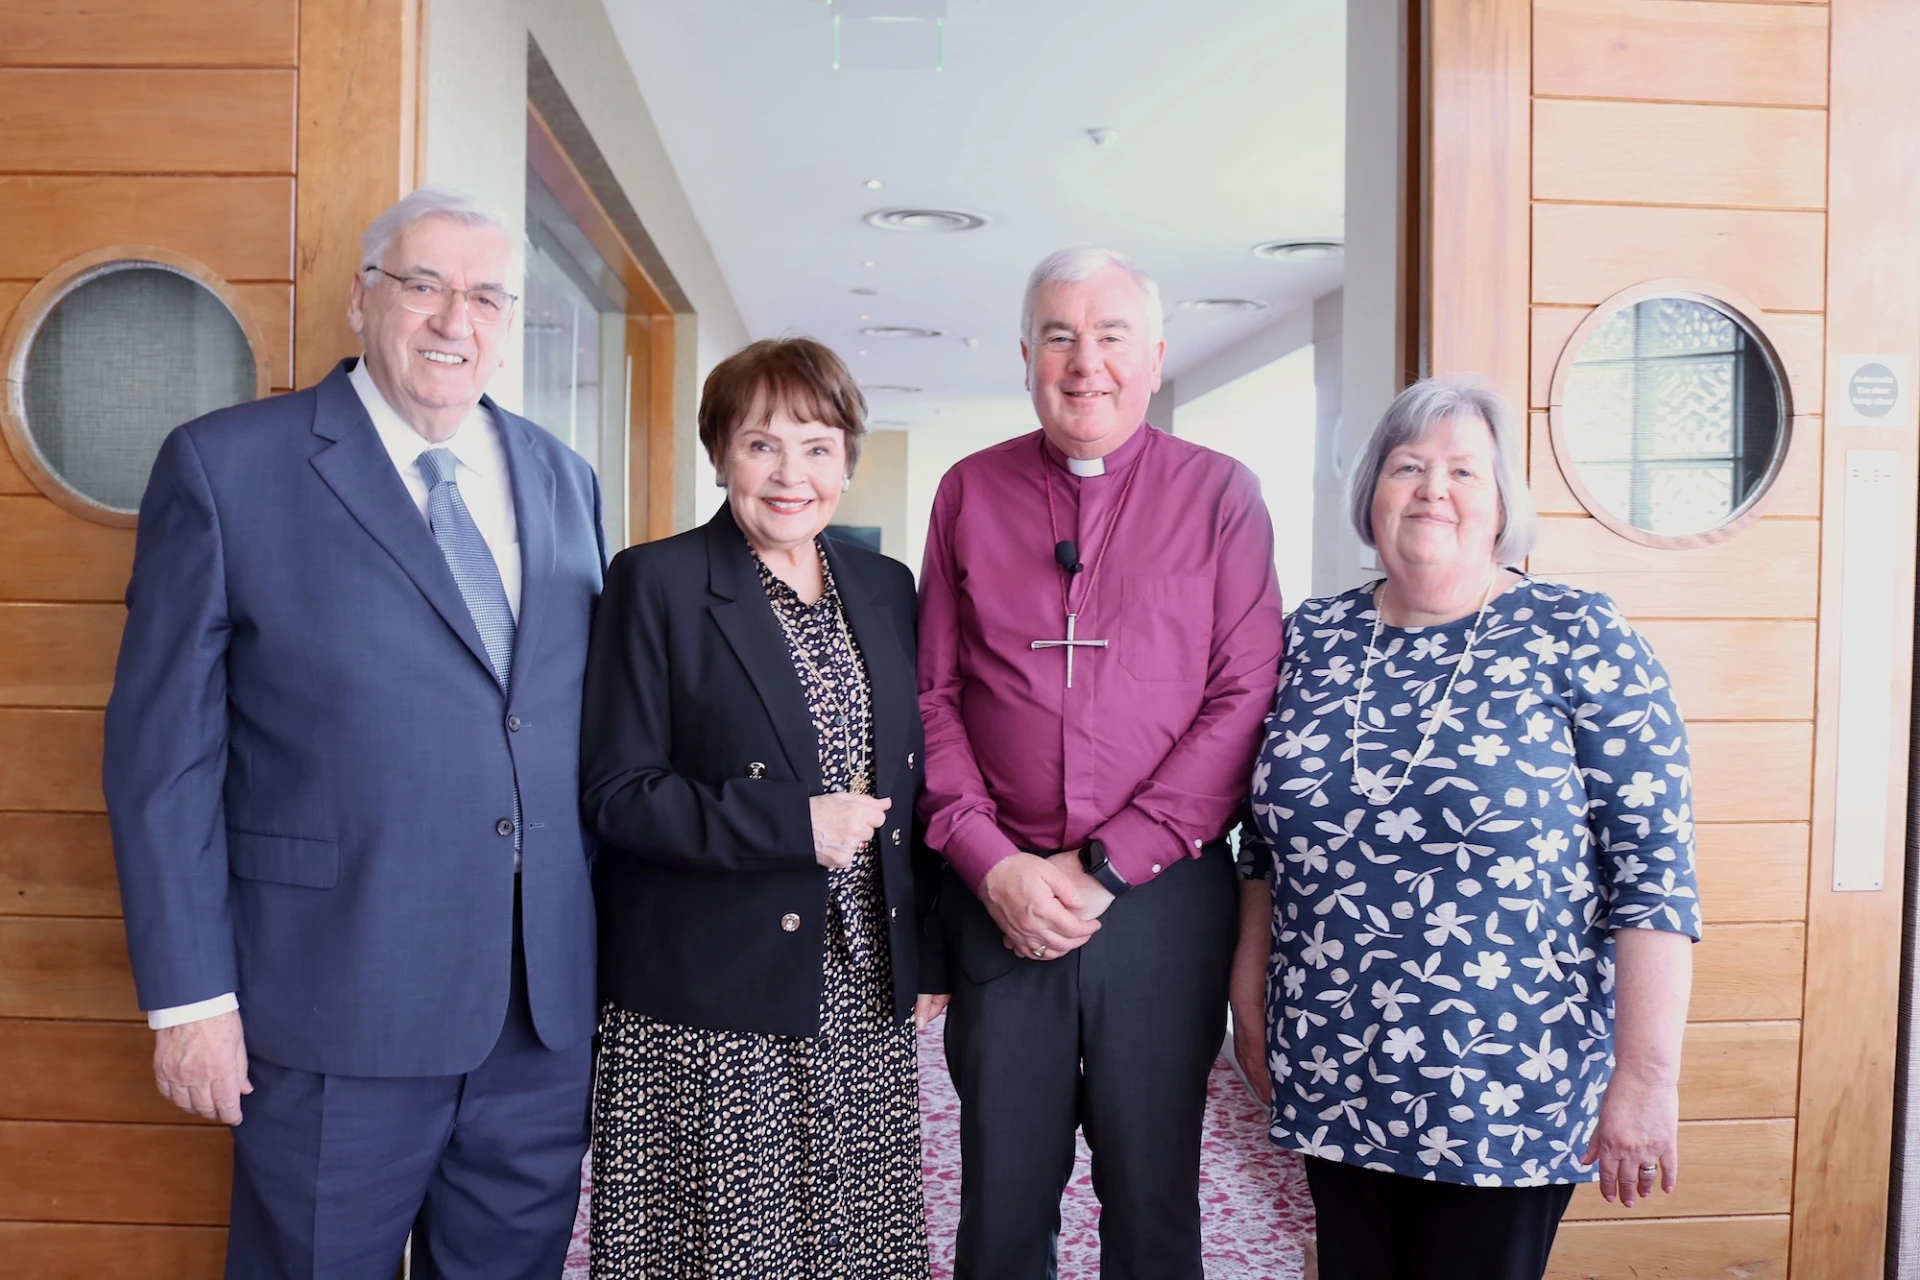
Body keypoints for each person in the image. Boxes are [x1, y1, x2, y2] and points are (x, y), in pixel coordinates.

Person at [102, 186, 604, 1278]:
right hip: (332, 1010)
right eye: (422, 285)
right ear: (360, 299)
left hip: (536, 1022)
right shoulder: (225, 467)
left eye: (483, 296)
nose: (452, 320)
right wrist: (191, 1000)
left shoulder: (566, 480)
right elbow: (162, 761)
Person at [1231, 376, 1700, 1280]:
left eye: (1463, 471)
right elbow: (1262, 842)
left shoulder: (1577, 632)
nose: (1433, 489)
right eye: (1408, 466)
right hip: (1333, 1060)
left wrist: (1646, 1078)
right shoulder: (1310, 637)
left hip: (1505, 1078)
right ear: (1372, 493)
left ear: (1501, 505)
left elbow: (1654, 867)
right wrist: (1249, 999)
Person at [917, 246, 1285, 1279]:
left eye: (1112, 335)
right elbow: (929, 699)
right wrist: (990, 861)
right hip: (1000, 899)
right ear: (1026, 354)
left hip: (1161, 907)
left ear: (1155, 356)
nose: (1088, 363)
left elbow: (1241, 700)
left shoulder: (1221, 496)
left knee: (1156, 1192)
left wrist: (1106, 863)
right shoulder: (967, 490)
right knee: (1001, 1196)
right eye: (1062, 336)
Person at [580, 336, 940, 1279]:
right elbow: (617, 794)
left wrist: (922, 946)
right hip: (710, 994)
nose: (792, 475)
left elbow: (915, 781)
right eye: (761, 444)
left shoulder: (887, 587)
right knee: (721, 1252)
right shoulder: (654, 582)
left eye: (819, 446)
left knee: (853, 1244)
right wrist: (791, 828)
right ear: (718, 454)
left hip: (862, 993)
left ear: (849, 459)